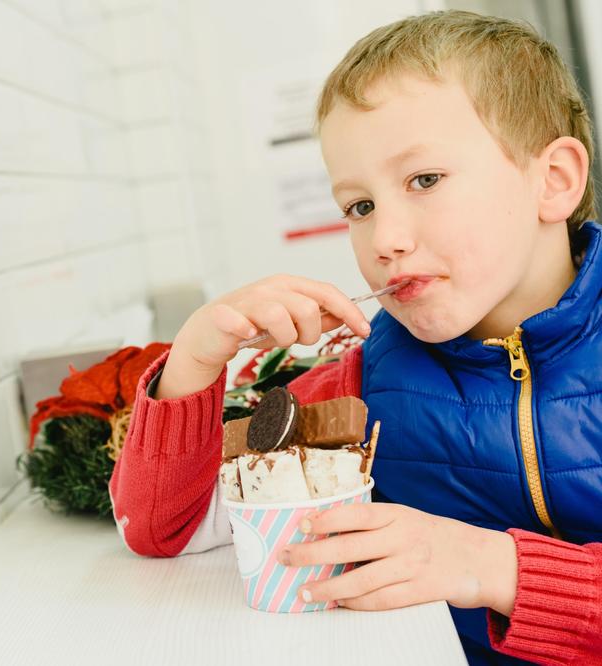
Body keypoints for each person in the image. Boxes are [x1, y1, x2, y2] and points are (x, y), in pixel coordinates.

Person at [108, 10, 602, 665]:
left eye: (424, 180)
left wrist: (494, 566)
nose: (385, 240)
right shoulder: (359, 384)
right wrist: (194, 362)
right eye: (359, 206)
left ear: (554, 180)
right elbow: (165, 530)